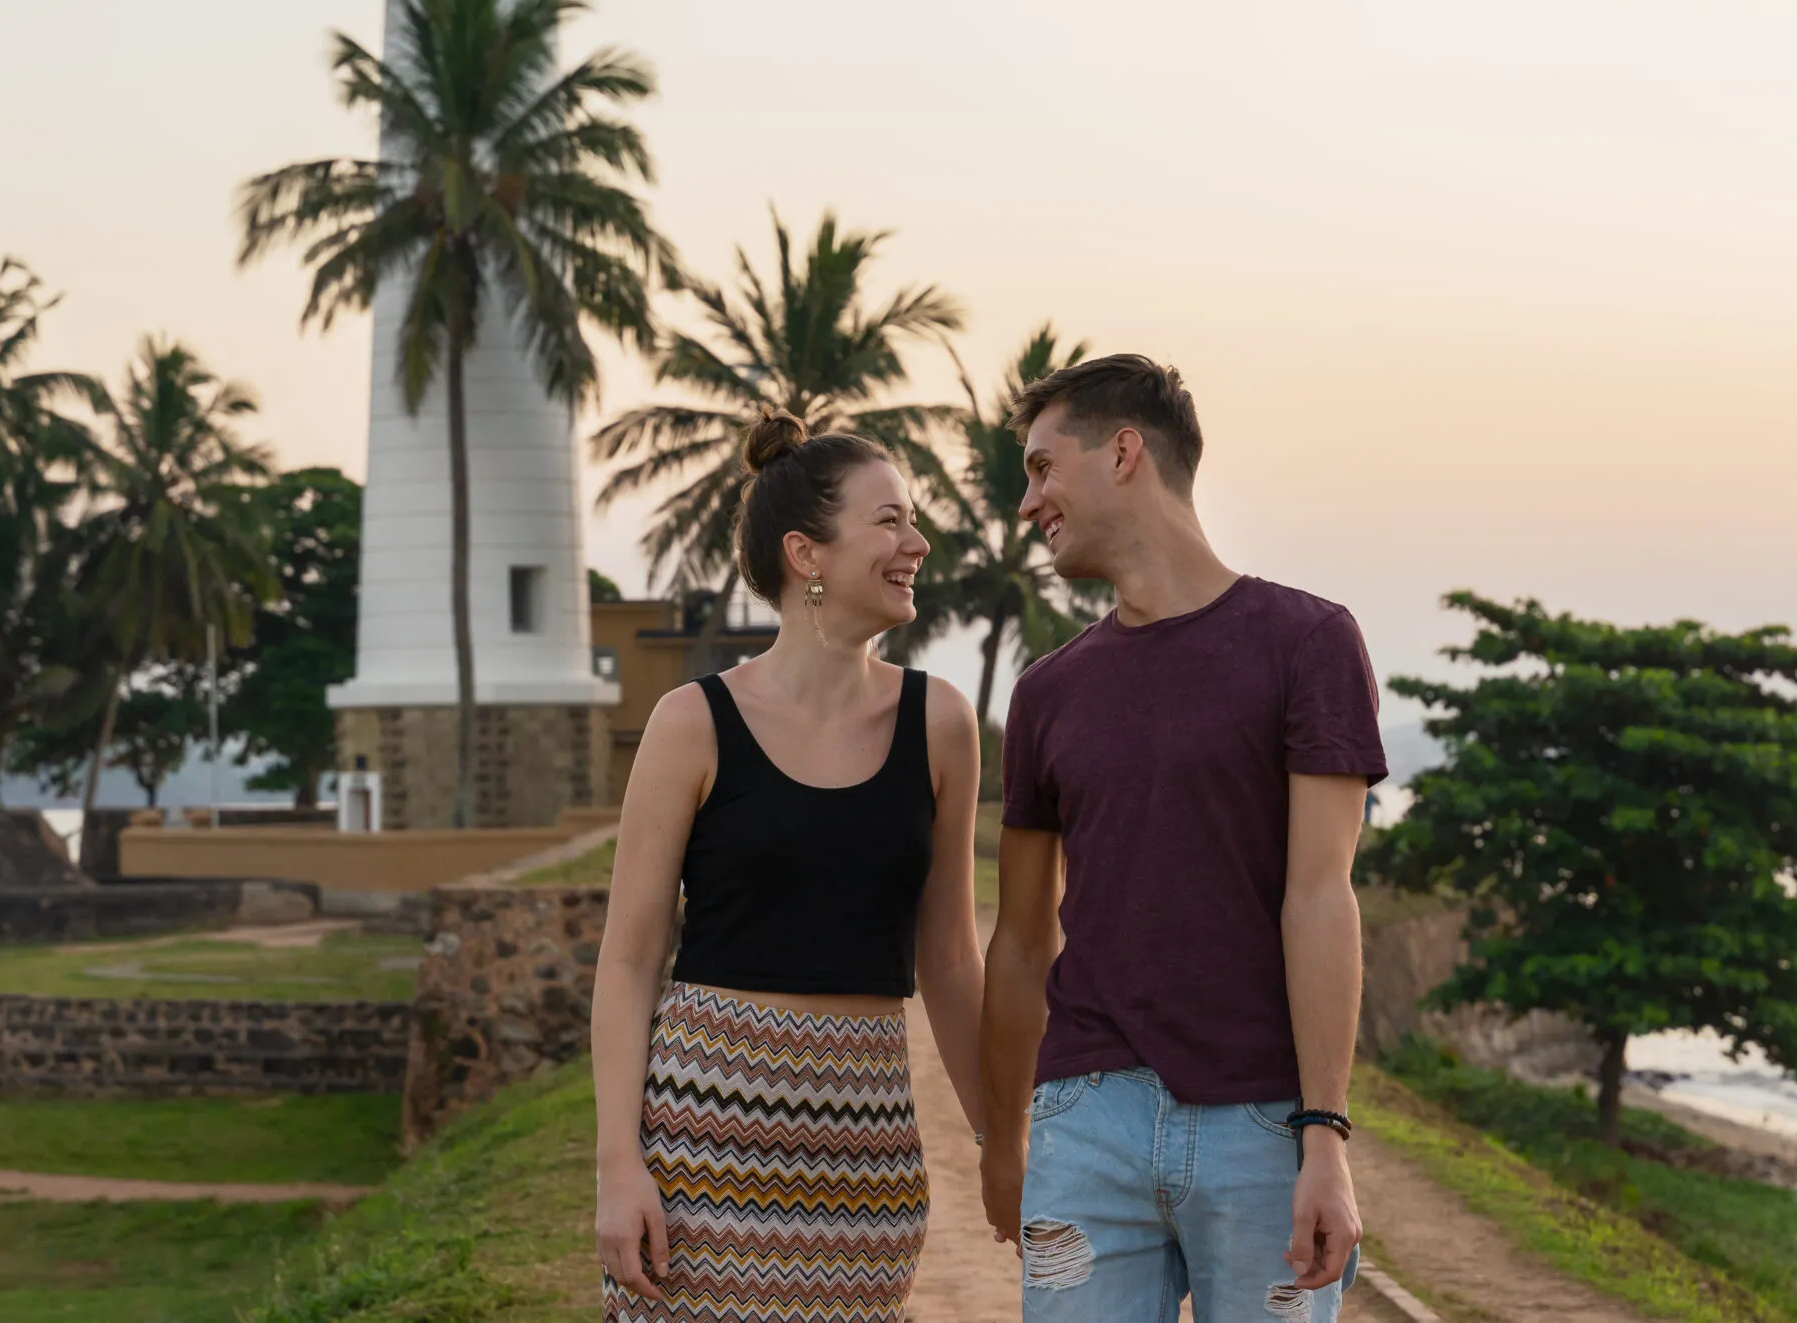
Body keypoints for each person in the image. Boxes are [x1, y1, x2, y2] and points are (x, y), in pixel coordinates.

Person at [978, 354, 1389, 1323]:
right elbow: (1022, 941)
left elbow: (1319, 896)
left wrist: (1324, 1137)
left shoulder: (1306, 644)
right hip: (1085, 1123)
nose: (1027, 504)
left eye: (1042, 468)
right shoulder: (1046, 694)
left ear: (1123, 452)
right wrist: (1003, 1142)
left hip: (1262, 1121)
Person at [592, 414, 988, 1320]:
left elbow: (951, 959)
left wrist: (995, 1137)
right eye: (889, 520)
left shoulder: (941, 723)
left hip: (869, 1152)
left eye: (913, 519)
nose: (917, 543)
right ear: (806, 552)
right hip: (700, 1148)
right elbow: (629, 959)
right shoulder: (691, 723)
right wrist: (619, 1163)